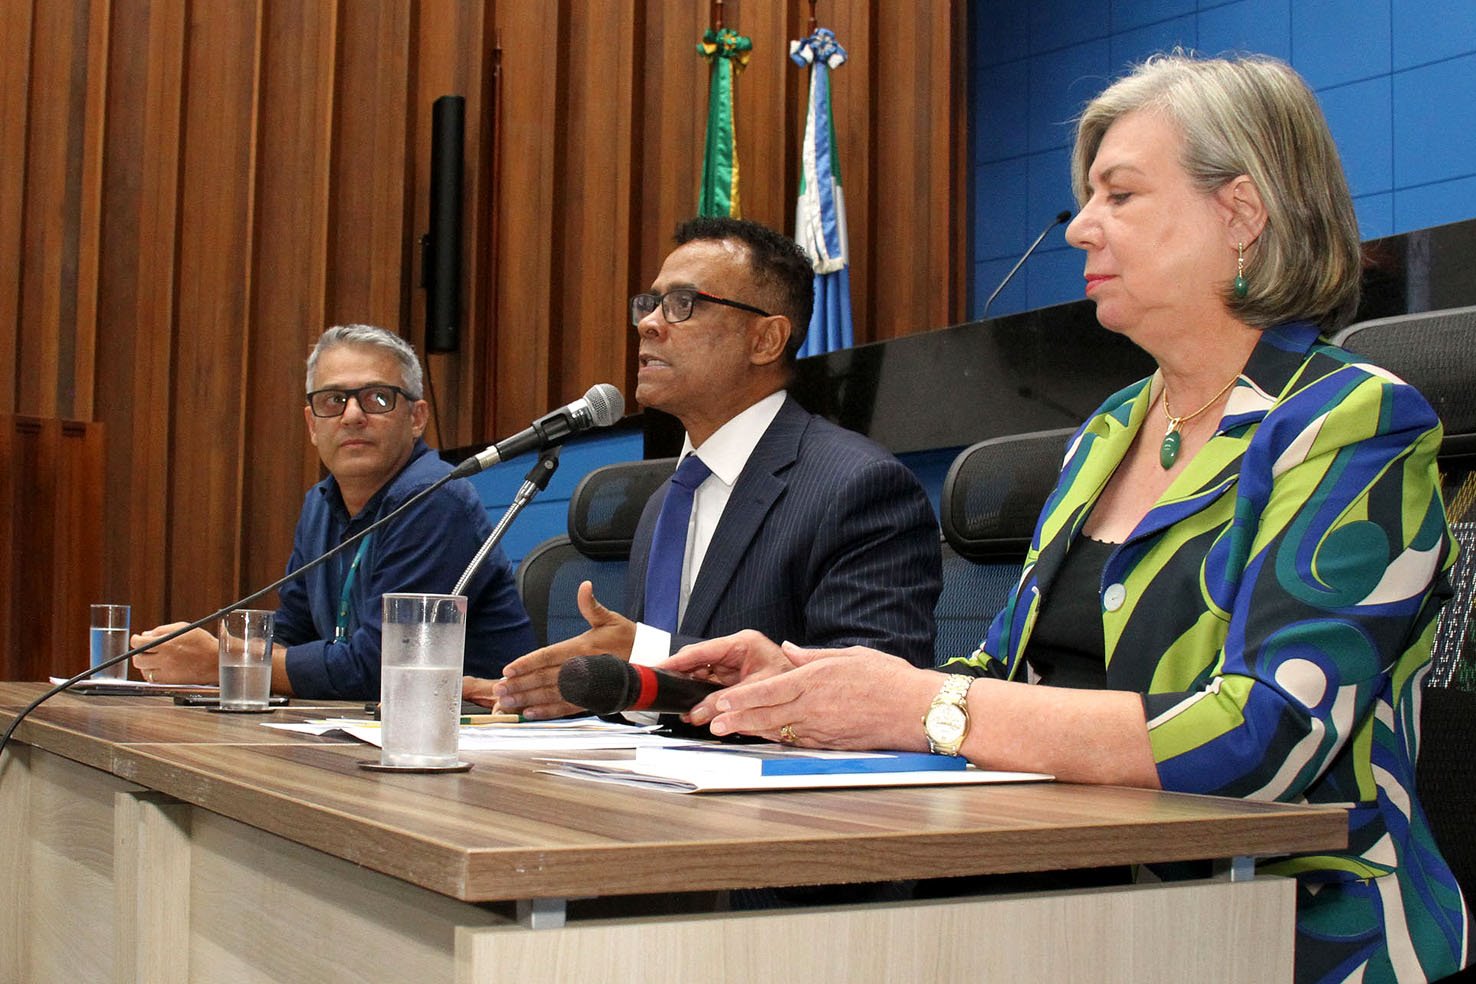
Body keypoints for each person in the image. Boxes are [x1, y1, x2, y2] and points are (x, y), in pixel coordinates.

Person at [665, 55, 1471, 983]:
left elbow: (1267, 736)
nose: (1081, 226)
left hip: (1290, 936)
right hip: (1073, 914)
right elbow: (1001, 677)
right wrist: (824, 683)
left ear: (1242, 213)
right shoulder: (1110, 430)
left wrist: (924, 708)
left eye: (1119, 195)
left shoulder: (1353, 420)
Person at [472, 217, 941, 719]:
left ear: (766, 340)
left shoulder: (856, 485)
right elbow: (666, 707)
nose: (648, 324)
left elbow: (876, 697)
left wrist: (643, 656)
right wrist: (563, 695)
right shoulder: (665, 501)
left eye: (683, 304)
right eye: (650, 303)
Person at [132, 324, 536, 700]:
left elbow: (382, 668)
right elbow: (293, 631)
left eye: (377, 398)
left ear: (417, 418)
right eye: (333, 400)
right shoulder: (320, 504)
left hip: (475, 730)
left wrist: (227, 662)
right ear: (312, 424)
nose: (353, 416)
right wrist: (221, 659)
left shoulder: (434, 499)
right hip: (367, 726)